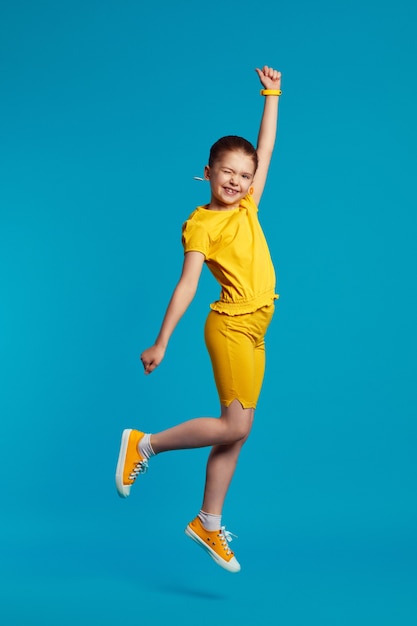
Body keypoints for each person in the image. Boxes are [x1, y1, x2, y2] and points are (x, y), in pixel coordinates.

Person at [115, 65, 282, 573]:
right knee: (233, 424)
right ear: (207, 172)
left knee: (239, 431)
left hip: (257, 329)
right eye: (227, 171)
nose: (237, 181)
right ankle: (146, 444)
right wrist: (162, 341)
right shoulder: (202, 224)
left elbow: (267, 147)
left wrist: (272, 93)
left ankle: (208, 523)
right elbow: (187, 283)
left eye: (245, 174)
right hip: (230, 325)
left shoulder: (248, 208)